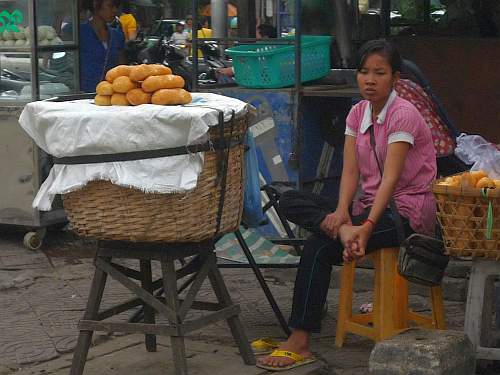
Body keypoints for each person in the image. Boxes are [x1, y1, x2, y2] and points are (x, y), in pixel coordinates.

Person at [257, 39, 437, 371]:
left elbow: (391, 180)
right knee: (289, 198)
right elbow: (351, 170)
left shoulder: (404, 115)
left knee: (315, 246)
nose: (370, 80)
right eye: (364, 72)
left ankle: (300, 339)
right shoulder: (357, 113)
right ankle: (343, 232)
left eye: (379, 73)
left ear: (395, 78)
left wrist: (365, 228)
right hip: (364, 209)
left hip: (406, 212)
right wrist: (342, 214)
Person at [80, 0, 126, 92]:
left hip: (110, 91)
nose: (114, 10)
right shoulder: (80, 32)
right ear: (96, 5)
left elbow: (122, 68)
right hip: (84, 93)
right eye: (110, 6)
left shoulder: (117, 35)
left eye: (116, 7)